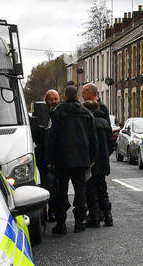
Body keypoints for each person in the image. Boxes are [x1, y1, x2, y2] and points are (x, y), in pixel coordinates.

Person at [46, 85, 97, 234]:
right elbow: (93, 138)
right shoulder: (86, 113)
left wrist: (49, 159)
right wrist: (92, 158)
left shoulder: (57, 112)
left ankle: (61, 224)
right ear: (77, 96)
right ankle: (79, 222)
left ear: (65, 96)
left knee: (61, 191)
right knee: (80, 191)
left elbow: (51, 137)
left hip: (62, 159)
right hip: (81, 159)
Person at [80, 84, 114, 227]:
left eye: (84, 93)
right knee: (102, 188)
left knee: (91, 189)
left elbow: (87, 141)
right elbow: (110, 141)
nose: (82, 95)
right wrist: (106, 154)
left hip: (92, 160)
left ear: (91, 93)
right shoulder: (104, 121)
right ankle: (107, 216)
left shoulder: (89, 120)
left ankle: (94, 217)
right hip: (103, 160)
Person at [40, 89, 62, 224]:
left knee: (56, 188)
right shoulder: (42, 114)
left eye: (55, 99)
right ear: (45, 100)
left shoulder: (61, 113)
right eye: (50, 99)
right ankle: (44, 212)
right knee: (44, 187)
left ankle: (53, 212)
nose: (53, 101)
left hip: (57, 157)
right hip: (43, 156)